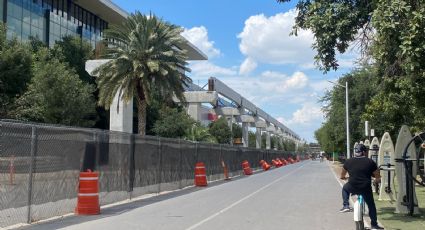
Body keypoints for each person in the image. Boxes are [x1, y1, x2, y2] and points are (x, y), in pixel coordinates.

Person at [339, 144, 384, 230]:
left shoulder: (348, 161)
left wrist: (343, 177)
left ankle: (346, 206)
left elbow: (342, 174)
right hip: (365, 188)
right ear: (364, 152)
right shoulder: (370, 162)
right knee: (371, 205)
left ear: (355, 152)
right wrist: (377, 179)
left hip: (352, 186)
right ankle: (374, 225)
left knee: (345, 188)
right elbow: (377, 175)